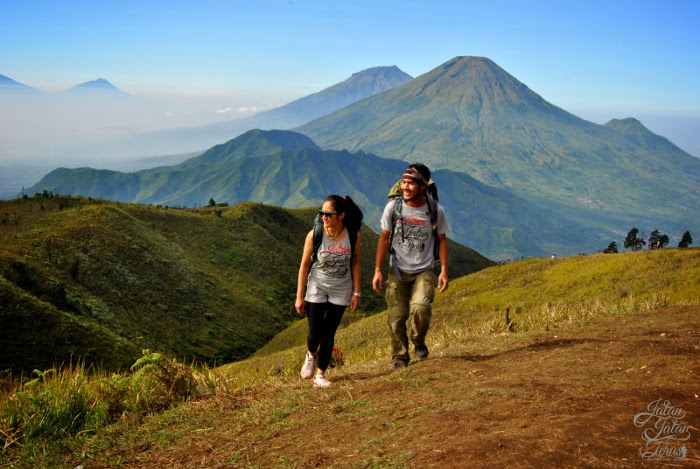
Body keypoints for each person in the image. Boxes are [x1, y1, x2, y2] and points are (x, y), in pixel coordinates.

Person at [373, 163, 450, 370]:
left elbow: (442, 240)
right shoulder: (393, 208)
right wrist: (378, 270)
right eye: (403, 182)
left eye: (411, 183)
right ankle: (400, 358)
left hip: (423, 270)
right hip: (397, 270)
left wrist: (443, 270)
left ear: (423, 186)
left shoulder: (434, 210)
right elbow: (383, 238)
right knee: (396, 318)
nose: (405, 187)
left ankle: (418, 339)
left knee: (420, 307)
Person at [295, 195, 363, 387]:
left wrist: (356, 292)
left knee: (329, 333)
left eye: (328, 214)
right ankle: (311, 354)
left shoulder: (352, 235)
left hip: (341, 287)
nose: (323, 217)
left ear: (341, 215)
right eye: (322, 213)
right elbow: (304, 265)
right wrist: (299, 296)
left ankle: (320, 375)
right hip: (317, 285)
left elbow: (356, 263)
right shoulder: (315, 234)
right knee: (314, 332)